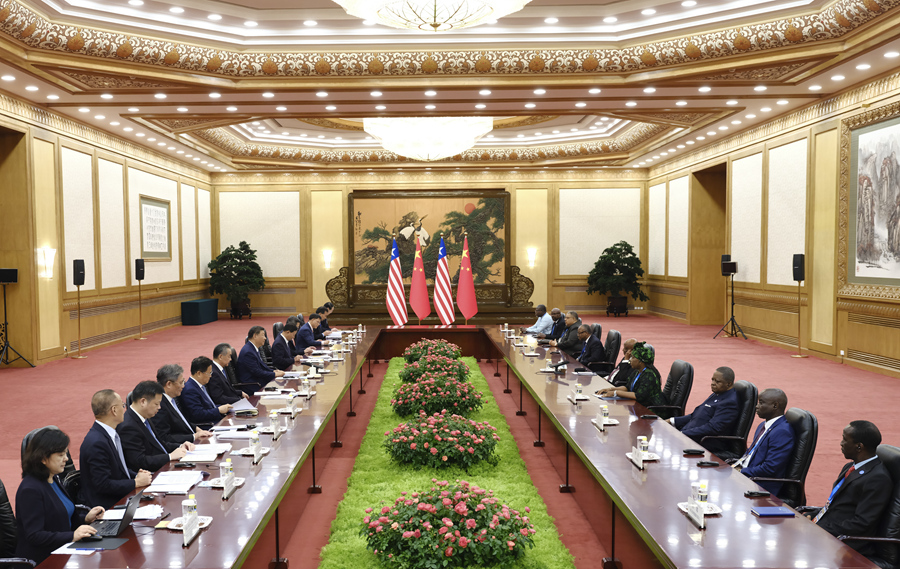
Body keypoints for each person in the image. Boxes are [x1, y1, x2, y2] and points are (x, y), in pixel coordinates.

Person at [16, 428, 106, 564]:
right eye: (60, 455)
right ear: (43, 458)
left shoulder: (54, 478)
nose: (67, 459)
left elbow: (62, 520)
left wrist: (86, 519)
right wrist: (72, 536)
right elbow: (35, 536)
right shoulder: (30, 490)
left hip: (64, 551)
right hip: (43, 560)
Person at [804, 420, 892, 557]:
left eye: (845, 439)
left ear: (859, 447)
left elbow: (861, 524)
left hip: (846, 544)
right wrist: (814, 516)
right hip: (828, 531)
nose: (841, 443)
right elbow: (835, 505)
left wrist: (820, 528)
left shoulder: (878, 478)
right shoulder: (850, 467)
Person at [80, 390, 152, 509]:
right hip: (107, 507)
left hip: (121, 498)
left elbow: (118, 470)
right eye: (123, 405)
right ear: (114, 410)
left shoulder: (108, 434)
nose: (125, 409)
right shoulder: (96, 443)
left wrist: (138, 475)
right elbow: (103, 485)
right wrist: (136, 482)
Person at [732, 388, 795, 495]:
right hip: (747, 475)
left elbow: (770, 468)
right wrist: (736, 465)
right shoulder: (763, 425)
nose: (756, 406)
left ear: (775, 406)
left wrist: (741, 472)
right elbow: (750, 453)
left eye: (761, 403)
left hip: (761, 485)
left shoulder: (783, 432)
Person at [118, 380, 191, 472]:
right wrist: (170, 457)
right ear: (143, 402)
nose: (159, 407)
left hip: (165, 467)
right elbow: (139, 462)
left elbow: (160, 444)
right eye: (156, 404)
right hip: (153, 474)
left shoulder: (145, 416)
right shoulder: (128, 427)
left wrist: (180, 446)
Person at [669, 367, 739, 456]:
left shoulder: (729, 403)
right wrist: (672, 420)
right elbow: (696, 415)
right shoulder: (717, 393)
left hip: (706, 441)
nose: (713, 383)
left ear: (728, 384)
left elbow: (713, 428)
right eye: (712, 380)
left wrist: (683, 434)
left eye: (717, 382)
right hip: (691, 435)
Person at [597, 341, 671, 418]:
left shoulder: (649, 375)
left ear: (640, 361)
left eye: (633, 357)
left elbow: (638, 396)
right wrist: (610, 389)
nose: (630, 360)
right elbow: (627, 387)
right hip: (637, 406)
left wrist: (616, 393)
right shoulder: (637, 371)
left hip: (652, 410)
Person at [151, 363, 212, 446]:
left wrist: (197, 429)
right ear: (169, 384)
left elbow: (182, 421)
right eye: (181, 382)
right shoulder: (159, 406)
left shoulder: (172, 398)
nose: (183, 386)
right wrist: (193, 436)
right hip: (183, 446)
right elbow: (165, 438)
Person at [180, 356, 233, 427]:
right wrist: (218, 410)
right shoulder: (189, 390)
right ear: (199, 373)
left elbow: (209, 407)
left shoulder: (200, 385)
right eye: (209, 373)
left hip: (216, 420)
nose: (210, 376)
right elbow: (197, 414)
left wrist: (223, 407)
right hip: (208, 426)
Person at [237, 326, 285, 393]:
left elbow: (261, 366)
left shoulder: (253, 348)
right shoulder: (248, 352)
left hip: (258, 381)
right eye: (263, 335)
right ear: (255, 336)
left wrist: (274, 371)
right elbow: (257, 372)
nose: (265, 338)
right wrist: (274, 375)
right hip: (253, 385)